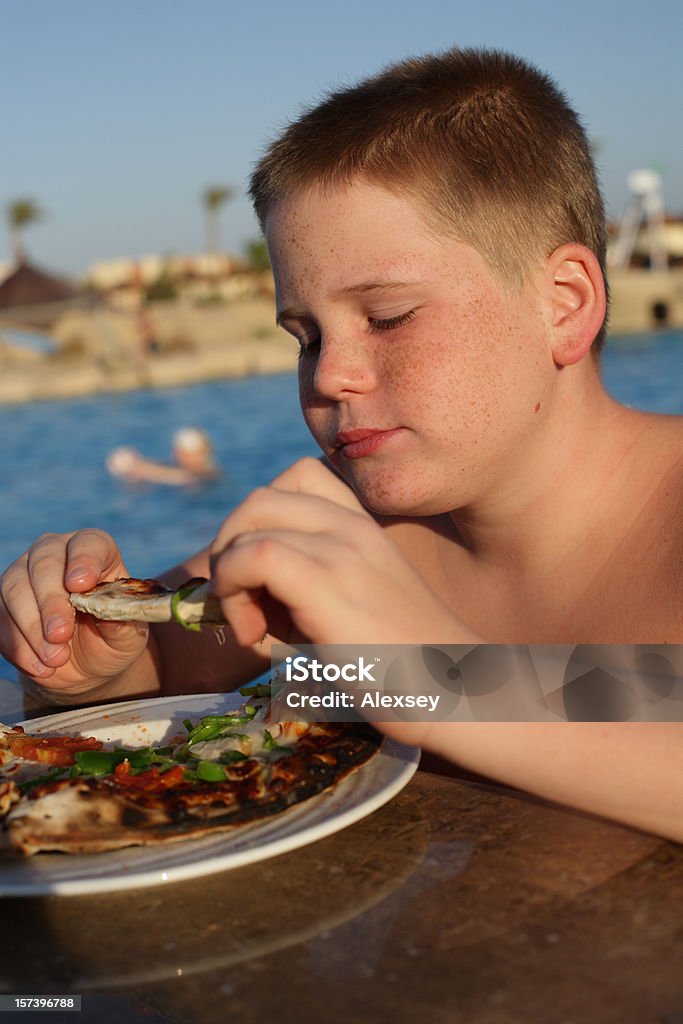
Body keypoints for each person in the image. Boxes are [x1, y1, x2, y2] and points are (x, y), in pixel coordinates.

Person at [1, 49, 682, 838]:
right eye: (304, 336)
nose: (331, 373)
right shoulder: (355, 519)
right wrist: (93, 663)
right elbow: (162, 673)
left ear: (562, 305)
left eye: (388, 317)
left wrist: (438, 682)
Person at [106, 427, 219, 485]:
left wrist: (146, 471)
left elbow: (187, 478)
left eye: (181, 452)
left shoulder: (208, 473)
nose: (175, 455)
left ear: (196, 453)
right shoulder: (178, 467)